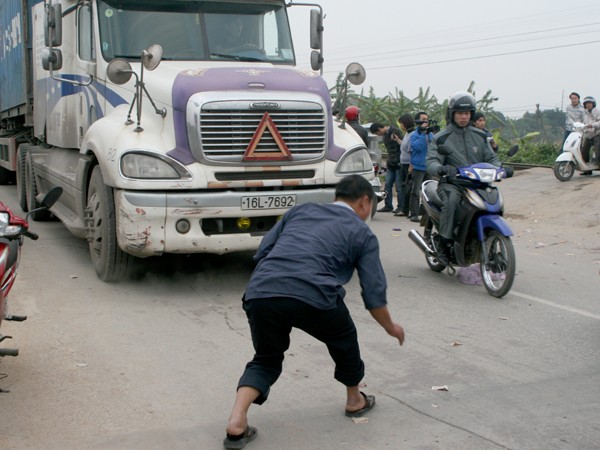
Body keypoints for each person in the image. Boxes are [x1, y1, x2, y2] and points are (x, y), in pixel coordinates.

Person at [223, 174, 405, 450]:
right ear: (364, 201)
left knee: (266, 359)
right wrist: (390, 327)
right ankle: (355, 400)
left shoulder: (301, 210)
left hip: (262, 291)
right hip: (314, 294)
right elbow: (374, 295)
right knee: (344, 339)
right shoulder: (362, 232)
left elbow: (263, 252)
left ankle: (237, 421)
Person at [426, 91, 500, 265]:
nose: (463, 117)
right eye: (460, 113)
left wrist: (500, 168)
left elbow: (491, 157)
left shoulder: (480, 136)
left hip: (478, 184)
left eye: (467, 113)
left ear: (471, 114)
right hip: (453, 184)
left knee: (494, 199)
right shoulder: (442, 137)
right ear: (452, 114)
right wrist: (441, 168)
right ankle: (444, 243)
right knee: (451, 200)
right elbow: (431, 160)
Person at [370, 122, 402, 213]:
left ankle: (401, 207)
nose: (378, 135)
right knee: (387, 185)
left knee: (399, 187)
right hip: (391, 163)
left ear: (379, 129)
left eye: (377, 133)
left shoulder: (395, 131)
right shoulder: (385, 136)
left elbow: (404, 146)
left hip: (399, 163)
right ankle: (388, 205)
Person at [408, 112, 433, 222]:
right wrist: (423, 134)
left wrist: (428, 133)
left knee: (429, 192)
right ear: (418, 121)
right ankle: (414, 214)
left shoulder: (430, 134)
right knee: (415, 191)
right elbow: (417, 147)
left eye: (427, 119)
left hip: (429, 166)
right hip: (418, 167)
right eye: (423, 119)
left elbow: (434, 146)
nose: (425, 121)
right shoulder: (414, 135)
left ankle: (426, 214)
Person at [395, 114, 415, 217]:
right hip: (404, 163)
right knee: (404, 187)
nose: (400, 126)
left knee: (408, 188)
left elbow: (412, 151)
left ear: (405, 123)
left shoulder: (413, 134)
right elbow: (405, 146)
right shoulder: (407, 133)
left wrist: (411, 166)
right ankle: (405, 209)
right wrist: (398, 140)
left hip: (408, 165)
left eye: (401, 123)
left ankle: (407, 209)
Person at [581, 96, 600, 169]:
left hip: (597, 134)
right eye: (586, 103)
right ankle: (586, 168)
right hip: (588, 134)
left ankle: (598, 165)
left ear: (593, 104)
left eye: (589, 103)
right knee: (584, 150)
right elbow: (583, 122)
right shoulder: (584, 113)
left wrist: (592, 125)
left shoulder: (597, 111)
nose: (588, 105)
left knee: (598, 150)